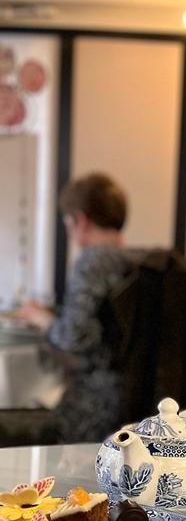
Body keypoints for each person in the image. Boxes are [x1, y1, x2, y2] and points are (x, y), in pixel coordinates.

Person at [16, 172, 136, 442]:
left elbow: (73, 338)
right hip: (131, 400)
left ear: (79, 220)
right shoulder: (136, 262)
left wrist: (40, 317)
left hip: (93, 407)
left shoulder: (93, 261)